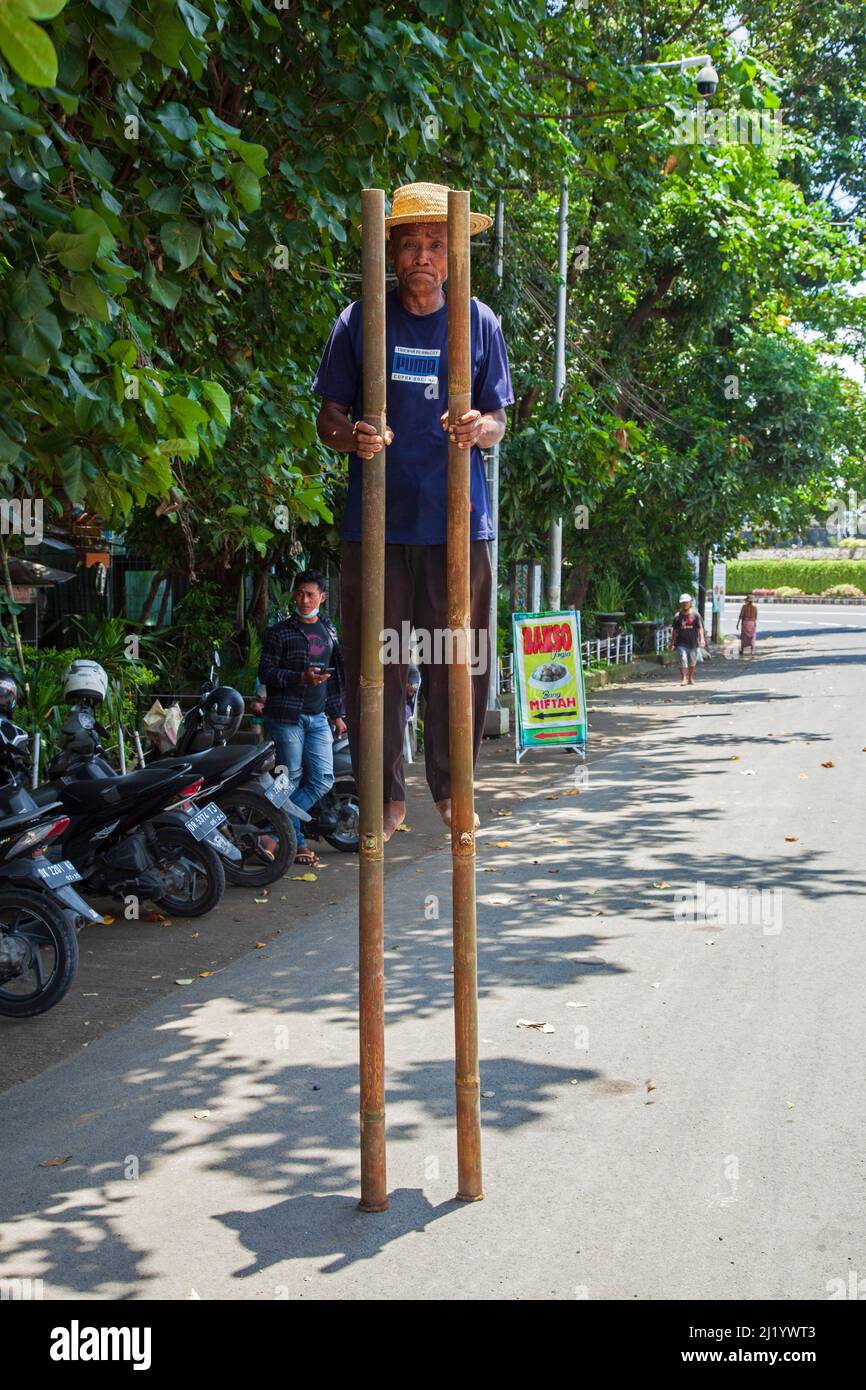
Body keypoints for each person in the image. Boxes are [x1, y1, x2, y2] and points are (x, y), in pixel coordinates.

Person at [313, 181, 514, 840]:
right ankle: (384, 793)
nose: (423, 256)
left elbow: (498, 421)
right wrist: (354, 436)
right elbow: (329, 417)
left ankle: (454, 788)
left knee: (460, 659)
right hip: (376, 527)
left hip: (460, 524)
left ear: (451, 256)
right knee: (377, 665)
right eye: (412, 244)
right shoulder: (361, 318)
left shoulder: (479, 321)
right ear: (392, 252)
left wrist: (476, 429)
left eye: (435, 243)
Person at [258, 569, 347, 868]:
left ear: (322, 597)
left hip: (318, 716)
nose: (304, 599)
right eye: (299, 593)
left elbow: (334, 679)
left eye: (310, 594)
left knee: (322, 779)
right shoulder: (279, 632)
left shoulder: (328, 630)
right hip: (287, 716)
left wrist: (337, 714)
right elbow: (266, 673)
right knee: (290, 779)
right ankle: (294, 843)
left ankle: (273, 831)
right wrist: (300, 677)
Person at [669, 592, 707, 686]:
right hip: (681, 643)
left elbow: (700, 627)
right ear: (681, 604)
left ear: (690, 602)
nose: (685, 604)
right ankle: (684, 679)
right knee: (683, 659)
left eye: (686, 602)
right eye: (683, 602)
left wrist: (702, 639)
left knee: (692, 662)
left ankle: (690, 677)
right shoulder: (677, 616)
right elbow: (675, 630)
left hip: (693, 642)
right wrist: (672, 642)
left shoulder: (696, 615)